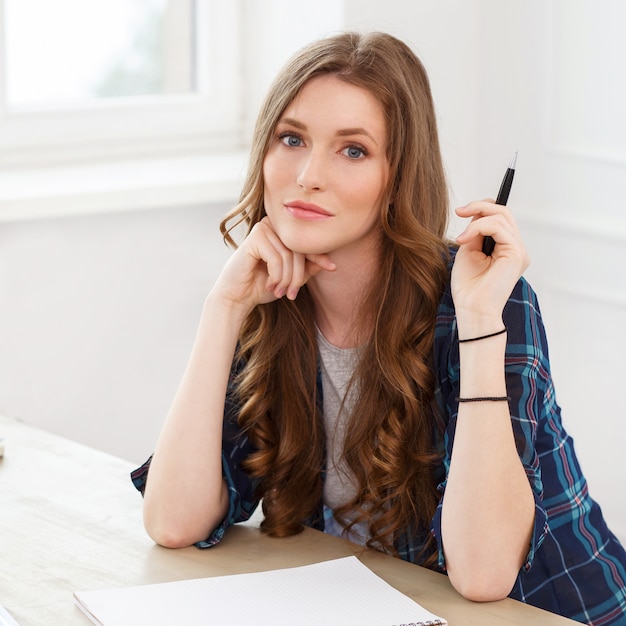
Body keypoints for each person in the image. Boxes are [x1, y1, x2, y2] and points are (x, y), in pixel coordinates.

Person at [131, 31, 626, 624]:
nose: (308, 175)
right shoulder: (270, 296)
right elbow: (173, 522)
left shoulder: (484, 300)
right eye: (291, 139)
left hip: (553, 614)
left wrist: (477, 322)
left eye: (353, 150)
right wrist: (223, 308)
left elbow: (485, 574)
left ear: (399, 175)